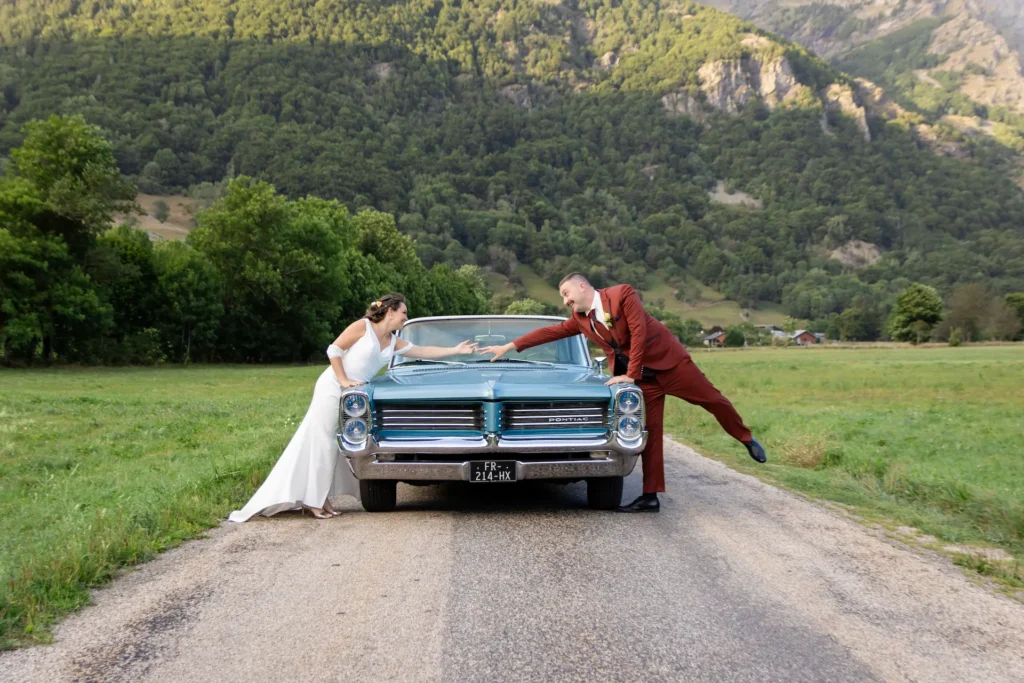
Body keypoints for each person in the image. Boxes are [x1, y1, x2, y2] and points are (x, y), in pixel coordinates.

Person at [479, 274, 766, 513]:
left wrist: (631, 374)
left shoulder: (622, 294)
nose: (565, 300)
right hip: (647, 382)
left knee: (714, 400)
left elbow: (639, 332)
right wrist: (509, 347)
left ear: (582, 286)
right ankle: (650, 496)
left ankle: (746, 438)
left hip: (670, 364)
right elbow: (551, 332)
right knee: (649, 436)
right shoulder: (580, 318)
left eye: (566, 293)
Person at [229, 294, 477, 522]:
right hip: (333, 387)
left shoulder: (392, 341)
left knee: (332, 445)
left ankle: (316, 498)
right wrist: (344, 381)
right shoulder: (364, 327)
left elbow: (421, 351)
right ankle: (315, 501)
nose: (406, 317)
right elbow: (334, 349)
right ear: (390, 311)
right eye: (404, 312)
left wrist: (456, 350)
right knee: (325, 442)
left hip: (354, 395)